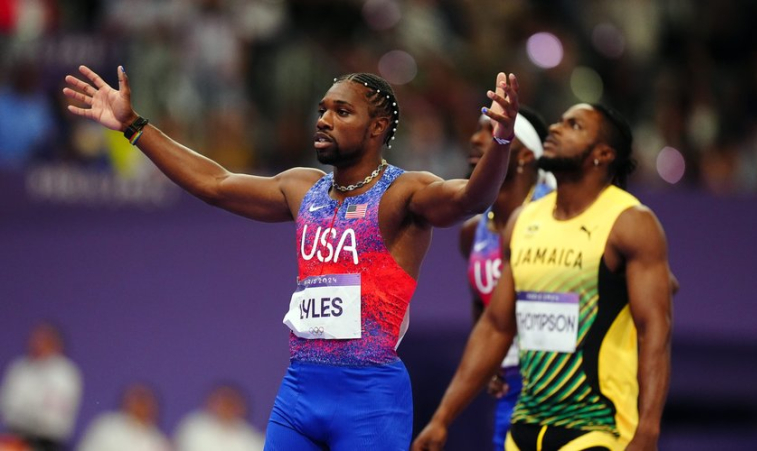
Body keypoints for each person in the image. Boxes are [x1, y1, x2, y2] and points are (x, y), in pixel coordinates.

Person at [63, 65, 520, 450]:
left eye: (342, 111)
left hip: (370, 396)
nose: (323, 119)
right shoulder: (302, 187)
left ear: (377, 127)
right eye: (322, 109)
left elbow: (470, 200)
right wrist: (134, 126)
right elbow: (214, 184)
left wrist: (500, 142)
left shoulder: (404, 192)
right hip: (301, 388)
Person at [413, 103, 675, 451]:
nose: (556, 128)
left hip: (597, 427)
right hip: (525, 426)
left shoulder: (630, 222)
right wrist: (443, 417)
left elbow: (655, 331)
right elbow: (495, 325)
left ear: (602, 154)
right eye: (559, 121)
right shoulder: (524, 220)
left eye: (574, 125)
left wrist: (648, 430)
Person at [460, 105, 554, 451]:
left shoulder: (563, 216)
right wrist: (491, 358)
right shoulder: (473, 231)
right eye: (480, 129)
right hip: (511, 384)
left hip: (564, 382)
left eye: (490, 129)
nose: (475, 137)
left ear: (526, 154)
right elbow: (480, 305)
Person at [0, 322, 83, 451]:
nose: (36, 344)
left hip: (46, 443)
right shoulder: (19, 367)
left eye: (43, 340)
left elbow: (53, 420)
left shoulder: (66, 374)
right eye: (35, 340)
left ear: (56, 344)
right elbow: (7, 408)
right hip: (13, 437)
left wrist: (26, 413)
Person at [76, 382, 170, 451]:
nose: (141, 407)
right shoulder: (106, 427)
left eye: (145, 403)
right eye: (138, 401)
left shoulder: (159, 441)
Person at [173, 383, 264, 451]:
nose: (226, 408)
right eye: (223, 403)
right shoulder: (194, 427)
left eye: (231, 404)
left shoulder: (250, 438)